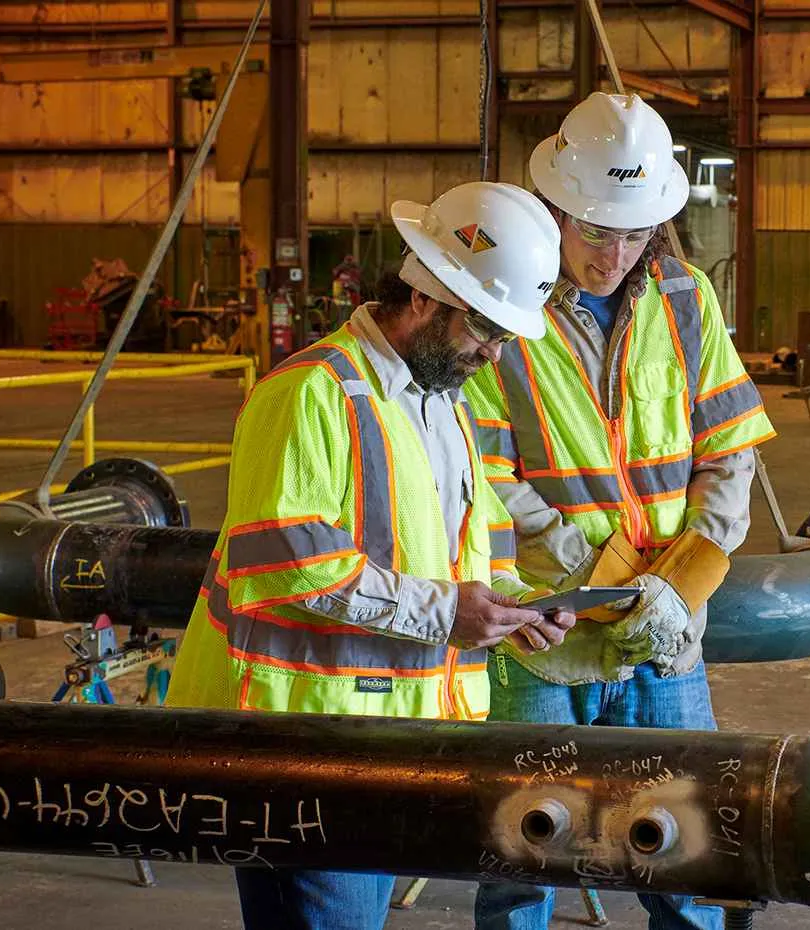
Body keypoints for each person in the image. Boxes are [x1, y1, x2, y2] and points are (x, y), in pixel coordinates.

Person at [165, 180, 575, 930]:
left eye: (505, 336)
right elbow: (288, 566)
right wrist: (449, 612)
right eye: (484, 328)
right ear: (424, 295)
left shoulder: (443, 400)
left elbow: (473, 541)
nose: (493, 352)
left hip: (389, 741)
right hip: (304, 745)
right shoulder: (309, 393)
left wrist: (511, 604)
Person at [465, 93, 776, 930]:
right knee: (522, 858)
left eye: (634, 235)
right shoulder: (507, 300)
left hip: (665, 630)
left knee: (680, 850)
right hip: (544, 635)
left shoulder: (685, 299)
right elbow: (483, 470)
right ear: (556, 209)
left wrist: (682, 587)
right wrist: (590, 577)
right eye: (596, 231)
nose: (613, 255)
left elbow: (728, 454)